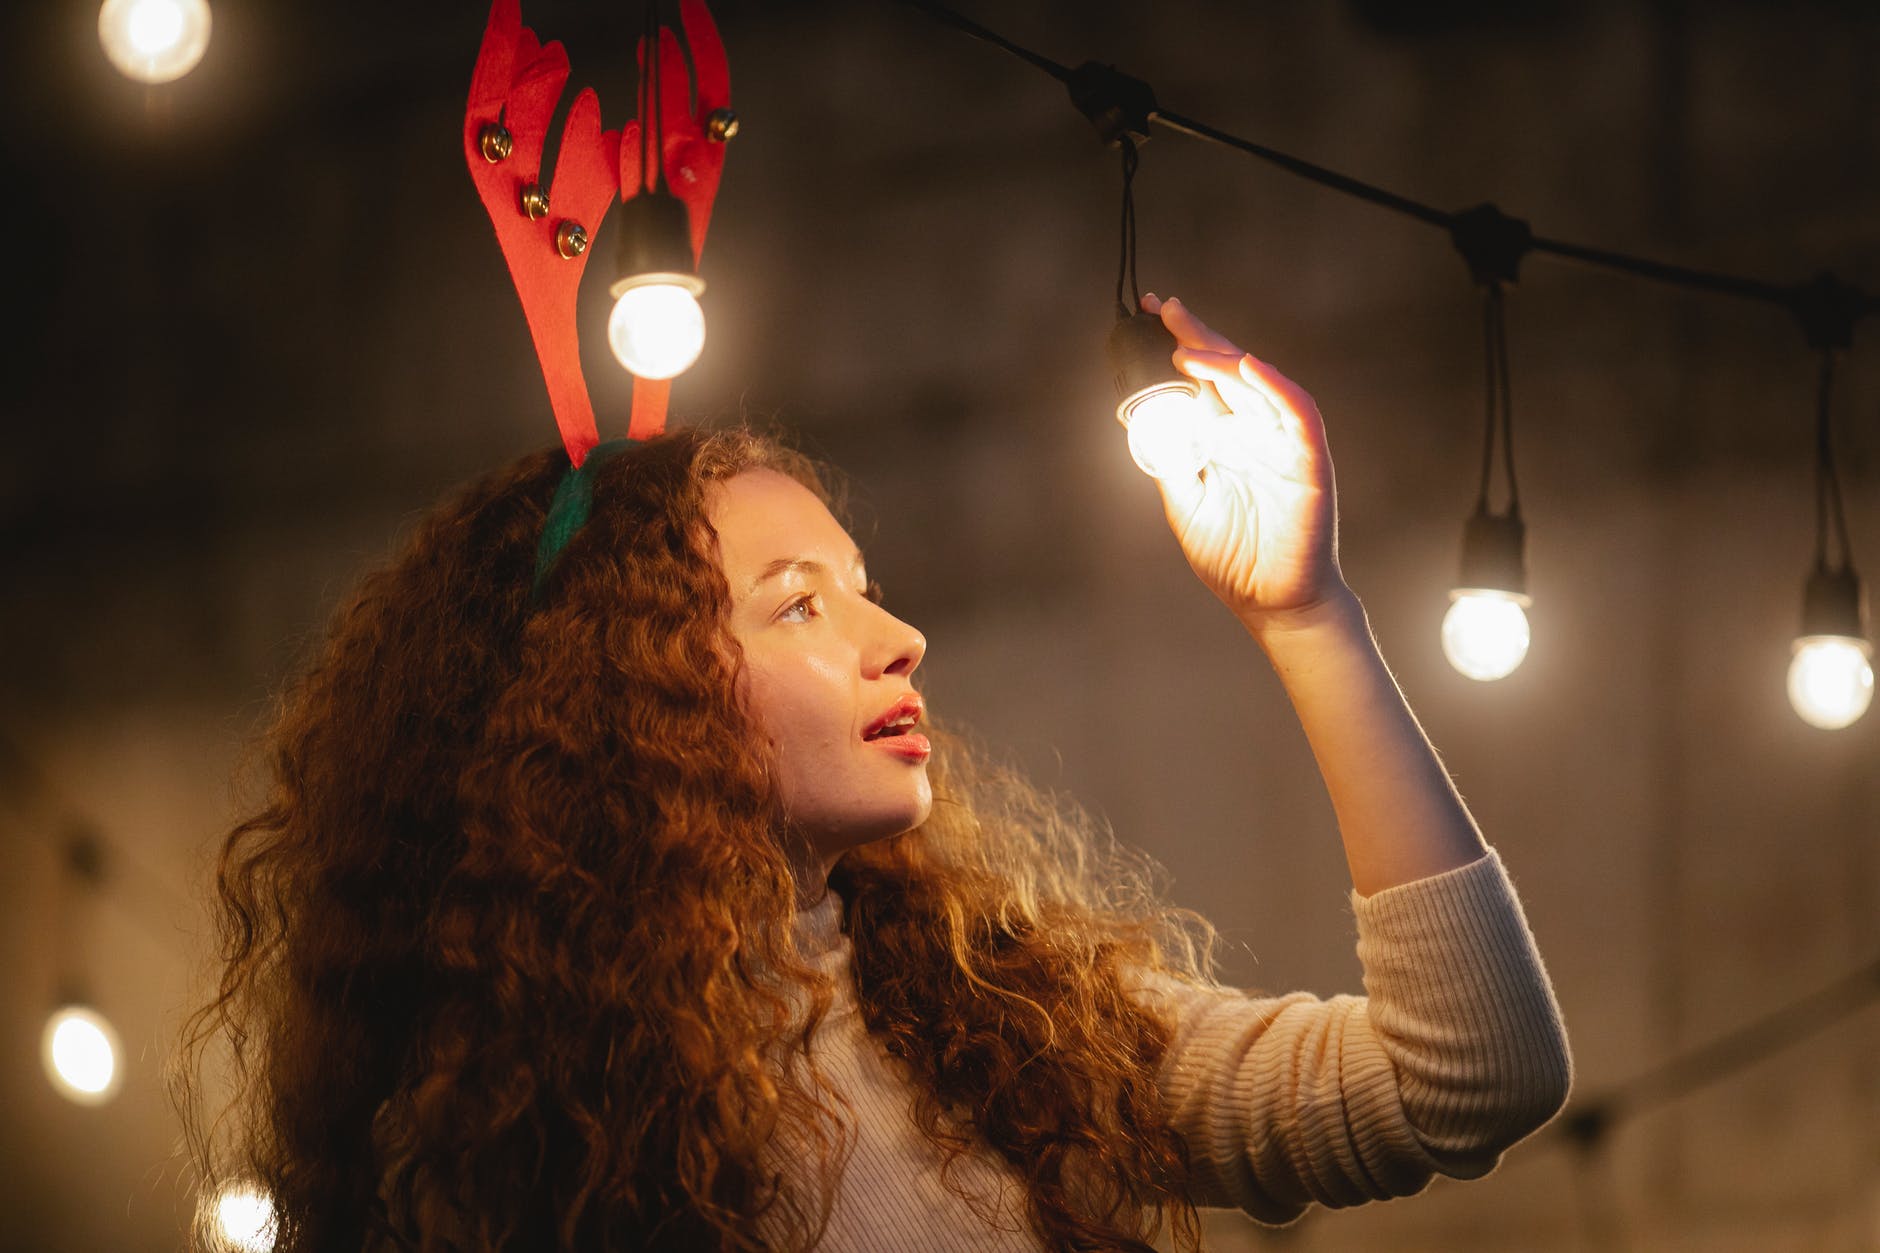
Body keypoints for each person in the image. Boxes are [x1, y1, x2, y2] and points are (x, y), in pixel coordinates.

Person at [173, 296, 1571, 1253]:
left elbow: (1467, 1079)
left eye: (867, 589)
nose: (899, 638)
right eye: (799, 604)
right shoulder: (486, 1138)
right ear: (620, 694)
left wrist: (1309, 616)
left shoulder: (998, 1025)